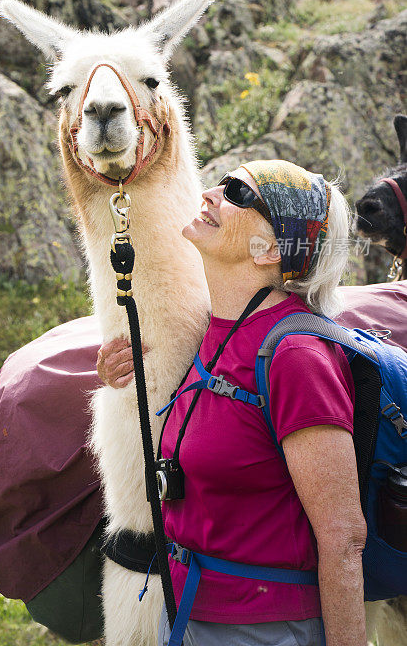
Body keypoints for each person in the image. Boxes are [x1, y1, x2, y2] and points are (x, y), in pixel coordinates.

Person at [97, 159, 368, 646]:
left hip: (264, 630)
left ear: (270, 250)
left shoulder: (297, 358)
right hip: (188, 613)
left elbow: (343, 538)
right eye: (221, 181)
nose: (209, 193)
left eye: (238, 192)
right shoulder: (216, 334)